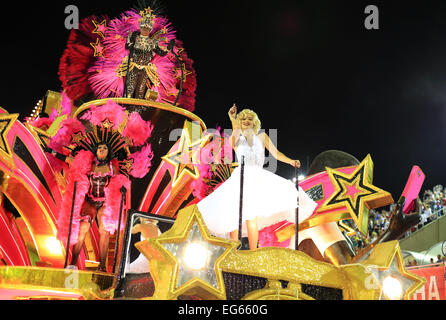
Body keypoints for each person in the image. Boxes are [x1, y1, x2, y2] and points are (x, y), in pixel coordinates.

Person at [197, 104, 317, 250]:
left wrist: (290, 161)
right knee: (234, 216)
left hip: (257, 177)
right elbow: (234, 134)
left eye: (250, 118)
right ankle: (232, 252)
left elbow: (275, 153)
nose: (247, 121)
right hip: (239, 178)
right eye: (243, 119)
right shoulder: (236, 138)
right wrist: (232, 119)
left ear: (255, 122)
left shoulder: (262, 136)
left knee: (251, 215)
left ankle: (254, 252)